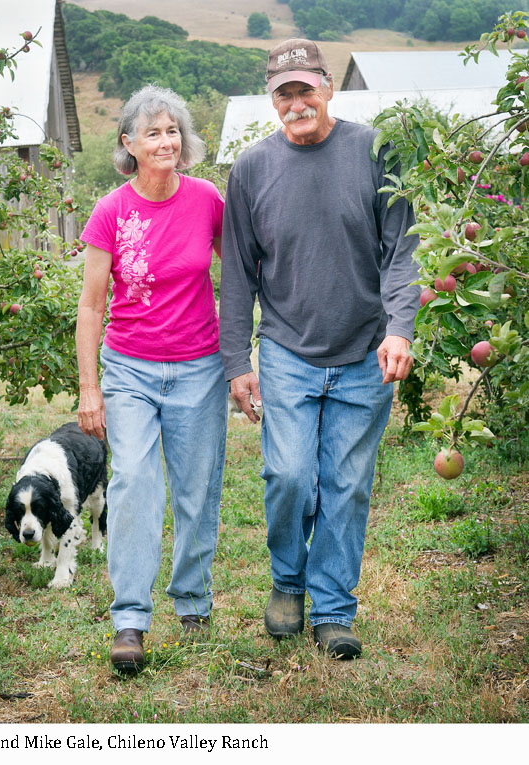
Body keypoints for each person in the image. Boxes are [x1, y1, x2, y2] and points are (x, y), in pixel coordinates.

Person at [219, 39, 420, 660]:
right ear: (273, 100)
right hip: (286, 352)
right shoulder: (252, 169)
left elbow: (401, 250)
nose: (297, 101)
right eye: (285, 92)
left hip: (364, 351)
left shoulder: (373, 151)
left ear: (328, 87)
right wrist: (235, 362)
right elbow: (237, 275)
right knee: (288, 475)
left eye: (307, 88)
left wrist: (400, 328)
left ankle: (333, 610)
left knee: (347, 483)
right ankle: (287, 580)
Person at [76, 85, 228, 673]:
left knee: (196, 489)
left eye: (173, 131)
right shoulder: (111, 211)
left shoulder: (208, 199)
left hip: (198, 366)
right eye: (154, 132)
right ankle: (130, 620)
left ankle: (192, 599)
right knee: (136, 481)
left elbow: (236, 275)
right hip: (131, 367)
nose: (167, 141)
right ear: (128, 143)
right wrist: (91, 387)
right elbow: (92, 307)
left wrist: (239, 361)